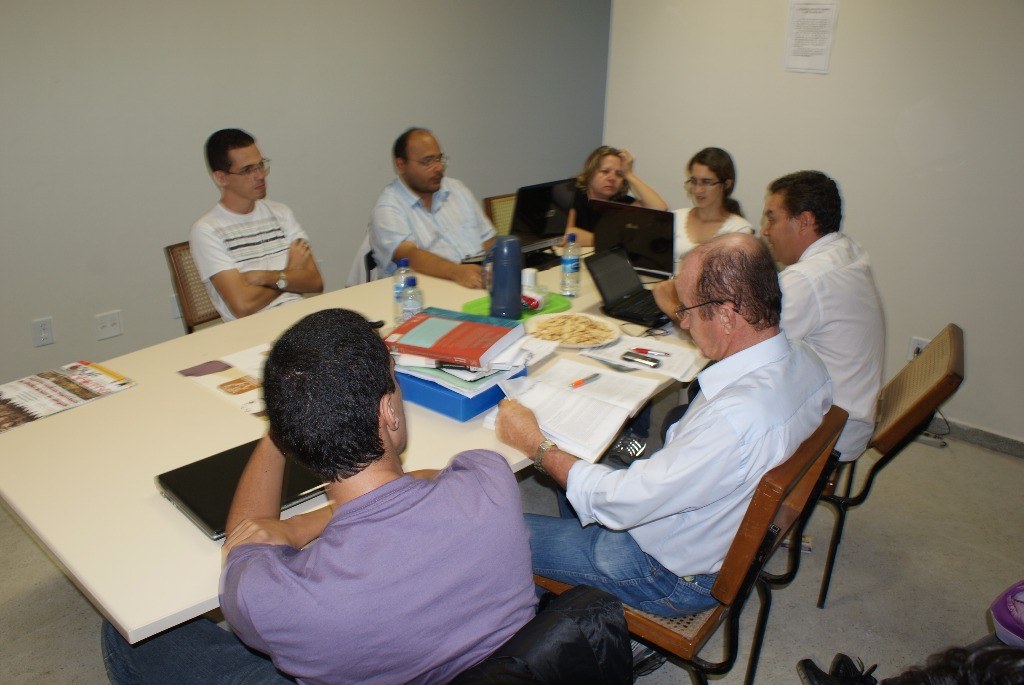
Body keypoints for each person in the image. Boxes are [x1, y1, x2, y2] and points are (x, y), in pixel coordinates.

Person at [102, 309, 537, 684]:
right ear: (387, 410)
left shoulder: (278, 599)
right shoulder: (490, 481)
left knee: (127, 637)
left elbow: (247, 538)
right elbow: (424, 480)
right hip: (510, 668)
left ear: (291, 435)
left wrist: (295, 515)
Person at [496, 233, 832, 617]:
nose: (684, 322)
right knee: (579, 461)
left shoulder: (734, 419)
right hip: (702, 525)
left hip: (664, 574)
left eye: (687, 310)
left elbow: (624, 502)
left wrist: (537, 447)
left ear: (726, 315)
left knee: (490, 533)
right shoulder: (807, 361)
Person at [760, 171, 885, 459]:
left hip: (831, 431)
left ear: (804, 221)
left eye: (772, 219)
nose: (765, 230)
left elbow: (747, 347)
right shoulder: (846, 250)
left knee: (700, 410)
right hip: (851, 412)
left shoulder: (807, 279)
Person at [190, 128, 323, 322]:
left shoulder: (281, 213)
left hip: (300, 319)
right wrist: (290, 272)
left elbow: (315, 282)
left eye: (261, 165)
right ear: (221, 178)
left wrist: (268, 277)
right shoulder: (206, 231)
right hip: (253, 329)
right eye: (247, 170)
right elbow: (243, 306)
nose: (260, 175)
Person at [369, 127, 496, 289]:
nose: (438, 168)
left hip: (477, 284)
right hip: (423, 293)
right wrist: (456, 272)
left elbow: (488, 240)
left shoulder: (457, 189)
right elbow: (409, 256)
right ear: (401, 165)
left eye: (439, 159)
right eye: (427, 161)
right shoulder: (387, 207)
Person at [564, 145, 668, 247]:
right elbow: (565, 235)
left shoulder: (621, 201)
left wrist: (629, 174)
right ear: (590, 174)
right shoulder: (572, 193)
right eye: (605, 171)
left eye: (619, 174)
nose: (612, 178)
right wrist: (609, 240)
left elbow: (660, 208)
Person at [672, 147, 753, 265]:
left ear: (726, 184)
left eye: (707, 182)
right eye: (694, 181)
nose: (698, 190)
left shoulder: (739, 229)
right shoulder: (675, 217)